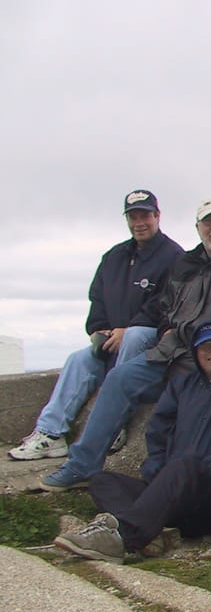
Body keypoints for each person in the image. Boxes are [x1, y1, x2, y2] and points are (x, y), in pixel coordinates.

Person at [39, 196, 211, 491]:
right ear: (197, 228)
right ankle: (82, 465)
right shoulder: (185, 264)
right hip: (172, 353)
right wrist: (166, 331)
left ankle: (176, 485)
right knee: (120, 378)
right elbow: (163, 308)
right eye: (208, 222)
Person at [53, 319, 211, 563]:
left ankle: (124, 537)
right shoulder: (182, 384)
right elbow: (158, 432)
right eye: (206, 345)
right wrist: (157, 470)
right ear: (195, 351)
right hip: (176, 490)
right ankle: (156, 532)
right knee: (101, 481)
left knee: (185, 467)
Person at [10, 189, 182, 461]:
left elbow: (167, 303)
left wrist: (129, 328)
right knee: (78, 359)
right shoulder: (114, 256)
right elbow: (97, 297)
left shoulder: (174, 256)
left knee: (135, 336)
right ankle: (50, 433)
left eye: (145, 215)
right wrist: (98, 328)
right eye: (133, 217)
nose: (139, 222)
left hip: (148, 343)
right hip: (113, 340)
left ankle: (115, 423)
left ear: (157, 216)